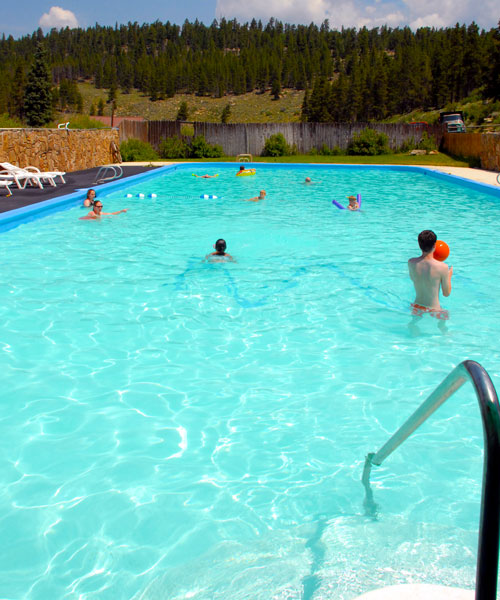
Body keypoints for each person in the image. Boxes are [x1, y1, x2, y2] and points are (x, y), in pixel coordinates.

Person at [408, 229, 453, 320]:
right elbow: (446, 293)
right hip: (434, 309)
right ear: (434, 245)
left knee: (413, 327)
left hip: (417, 307)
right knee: (444, 330)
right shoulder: (442, 267)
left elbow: (413, 279)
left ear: (419, 245)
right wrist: (449, 276)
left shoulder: (411, 262)